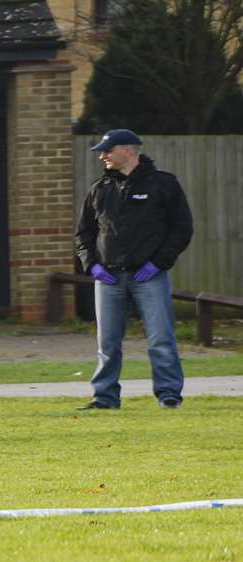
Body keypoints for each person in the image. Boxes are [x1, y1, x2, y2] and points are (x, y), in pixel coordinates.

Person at [74, 128, 194, 410]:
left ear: (128, 151)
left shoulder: (163, 185)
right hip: (108, 278)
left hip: (149, 277)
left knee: (161, 339)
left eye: (107, 150)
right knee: (107, 343)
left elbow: (182, 230)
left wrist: (158, 264)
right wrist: (92, 266)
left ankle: (169, 396)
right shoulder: (99, 189)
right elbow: (84, 234)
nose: (102, 156)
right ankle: (104, 397)